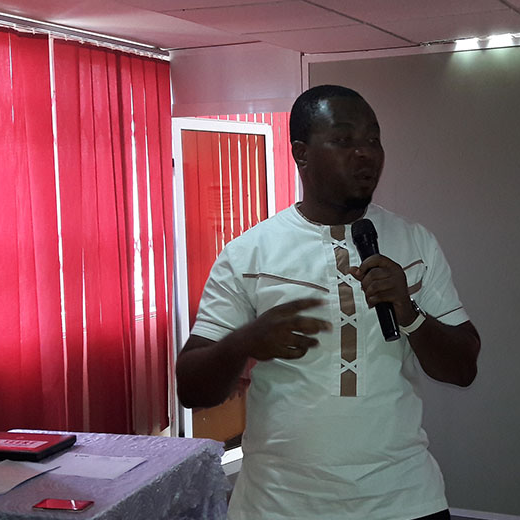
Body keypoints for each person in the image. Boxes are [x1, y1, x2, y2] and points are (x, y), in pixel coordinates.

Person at [176, 84, 481, 520]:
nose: (365, 153)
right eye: (343, 140)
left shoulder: (415, 242)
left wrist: (410, 313)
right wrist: (244, 342)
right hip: (278, 504)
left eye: (373, 140)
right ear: (301, 154)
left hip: (403, 498)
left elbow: (463, 368)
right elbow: (191, 388)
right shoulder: (248, 255)